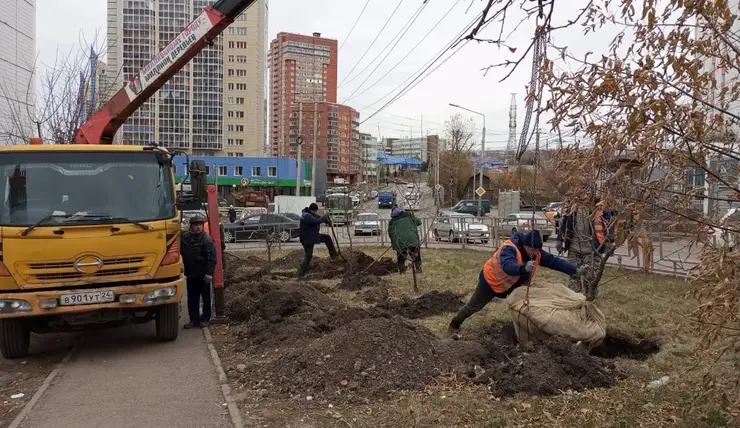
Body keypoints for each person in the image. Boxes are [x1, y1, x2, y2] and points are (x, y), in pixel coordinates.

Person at [448, 230, 586, 340]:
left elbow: (554, 261)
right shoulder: (510, 248)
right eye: (531, 249)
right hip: (491, 281)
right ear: (525, 245)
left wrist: (575, 270)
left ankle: (524, 329)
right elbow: (507, 265)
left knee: (525, 304)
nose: (534, 253)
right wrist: (522, 268)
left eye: (537, 250)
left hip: (513, 284)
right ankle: (455, 324)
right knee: (474, 306)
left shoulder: (537, 253)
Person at [556, 197, 614, 294]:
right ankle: (574, 300)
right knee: (574, 277)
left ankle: (590, 301)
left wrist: (609, 242)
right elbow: (565, 223)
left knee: (591, 280)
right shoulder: (573, 206)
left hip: (592, 251)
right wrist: (559, 239)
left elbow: (610, 224)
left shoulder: (599, 207)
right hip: (574, 250)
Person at [180, 215, 217, 329]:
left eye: (200, 225)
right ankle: (194, 320)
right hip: (191, 274)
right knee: (192, 298)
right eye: (196, 225)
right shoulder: (185, 238)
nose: (199, 227)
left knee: (206, 298)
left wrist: (209, 273)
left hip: (203, 274)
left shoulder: (206, 239)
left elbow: (212, 257)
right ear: (191, 226)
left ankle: (205, 319)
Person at [298, 203, 337, 277]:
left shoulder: (311, 214)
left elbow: (318, 218)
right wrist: (323, 217)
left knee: (327, 238)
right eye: (315, 211)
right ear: (314, 210)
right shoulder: (306, 216)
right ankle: (301, 274)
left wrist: (326, 220)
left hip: (312, 236)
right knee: (308, 256)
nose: (316, 213)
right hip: (307, 239)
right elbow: (316, 221)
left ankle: (334, 256)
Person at [388, 207, 422, 274]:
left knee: (401, 257)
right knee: (415, 255)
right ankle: (418, 269)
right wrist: (412, 216)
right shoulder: (409, 216)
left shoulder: (392, 222)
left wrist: (394, 245)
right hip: (412, 240)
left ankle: (402, 271)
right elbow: (419, 222)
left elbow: (390, 234)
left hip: (399, 242)